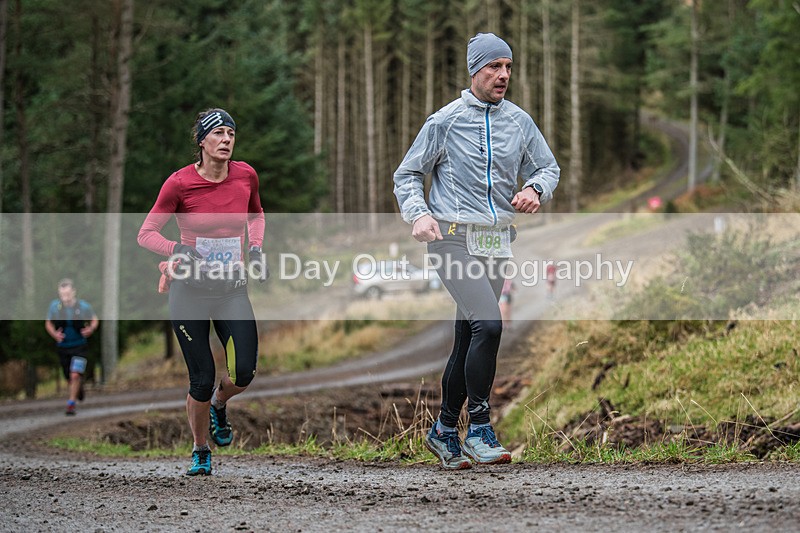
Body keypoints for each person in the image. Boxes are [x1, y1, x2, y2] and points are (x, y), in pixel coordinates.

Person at [394, 33, 559, 469]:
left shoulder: (520, 122)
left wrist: (534, 187)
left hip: (495, 241)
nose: (503, 75)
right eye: (494, 67)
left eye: (508, 66)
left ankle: (445, 429)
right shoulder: (445, 121)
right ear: (474, 70)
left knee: (469, 335)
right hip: (450, 236)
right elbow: (408, 174)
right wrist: (419, 214)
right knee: (489, 323)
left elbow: (548, 166)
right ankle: (480, 428)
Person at [137, 108, 267, 476]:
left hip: (231, 289)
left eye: (231, 133)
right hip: (189, 290)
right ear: (202, 142)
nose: (226, 139)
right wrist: (177, 249)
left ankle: (219, 404)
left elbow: (256, 215)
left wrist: (255, 249)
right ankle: (200, 449)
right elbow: (146, 234)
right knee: (200, 377)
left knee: (244, 372)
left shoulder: (245, 176)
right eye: (218, 133)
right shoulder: (178, 184)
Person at [45, 278, 99, 416]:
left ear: (74, 292)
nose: (65, 298)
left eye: (68, 294)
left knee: (75, 374)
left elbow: (94, 319)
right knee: (69, 377)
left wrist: (91, 329)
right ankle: (78, 389)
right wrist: (54, 335)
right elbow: (48, 323)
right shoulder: (54, 307)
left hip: (80, 347)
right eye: (62, 295)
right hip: (63, 347)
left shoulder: (83, 307)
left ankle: (71, 404)